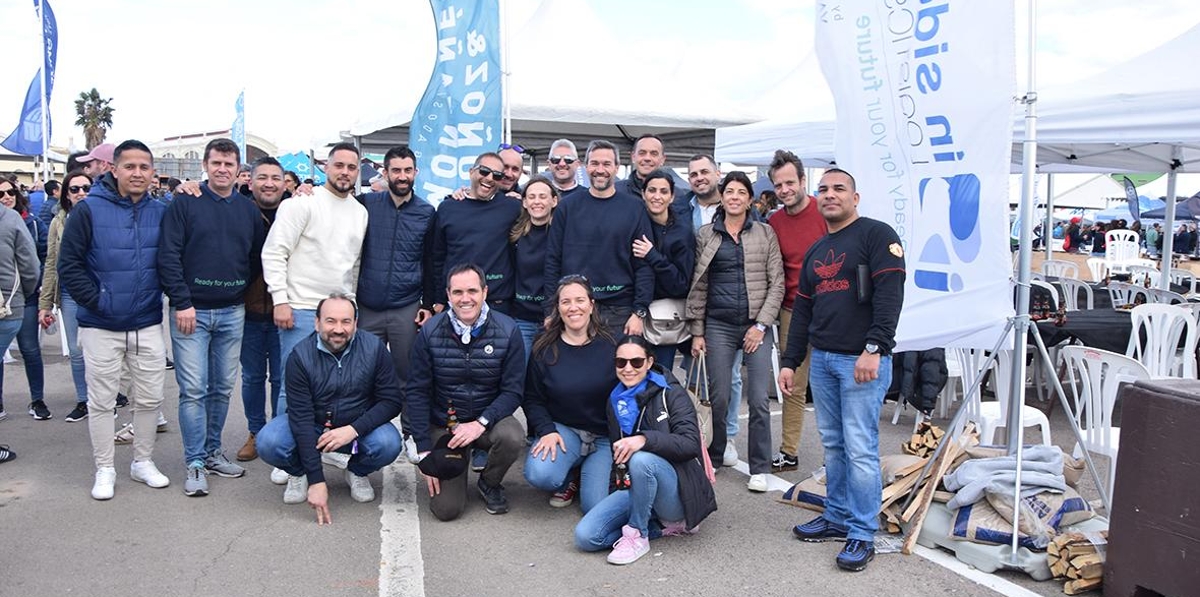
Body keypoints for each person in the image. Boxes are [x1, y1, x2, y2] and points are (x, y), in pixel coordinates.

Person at [778, 168, 905, 573]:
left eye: (839, 189)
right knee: (833, 444)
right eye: (824, 190)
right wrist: (789, 361)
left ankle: (862, 532)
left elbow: (890, 294)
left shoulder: (876, 235)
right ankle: (835, 516)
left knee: (861, 449)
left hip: (860, 362)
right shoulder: (818, 250)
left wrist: (875, 347)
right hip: (825, 361)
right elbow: (803, 312)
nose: (830, 195)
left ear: (855, 196)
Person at [58, 139, 172, 500]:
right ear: (115, 169)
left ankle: (142, 461)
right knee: (102, 401)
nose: (137, 173)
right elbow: (69, 266)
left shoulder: (162, 211)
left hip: (147, 322)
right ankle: (104, 468)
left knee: (150, 399)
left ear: (152, 173)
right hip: (100, 324)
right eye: (130, 166)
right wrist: (99, 300)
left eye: (144, 167)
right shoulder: (88, 210)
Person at [158, 138, 264, 496]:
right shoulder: (186, 202)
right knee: (193, 391)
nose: (222, 169)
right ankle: (195, 463)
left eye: (229, 164)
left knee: (221, 389)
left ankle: (212, 452)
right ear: (205, 165)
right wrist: (183, 301)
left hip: (232, 312)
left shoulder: (247, 210)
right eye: (216, 163)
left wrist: (235, 289)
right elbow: (169, 255)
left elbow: (255, 258)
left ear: (238, 170)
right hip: (191, 312)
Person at [256, 294, 403, 524]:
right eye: (330, 321)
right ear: (317, 323)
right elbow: (301, 419)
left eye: (346, 321)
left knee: (388, 443)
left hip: (355, 425)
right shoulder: (300, 357)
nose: (338, 329)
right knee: (269, 441)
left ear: (356, 323)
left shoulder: (374, 349)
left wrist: (353, 429)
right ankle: (299, 472)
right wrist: (317, 481)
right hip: (313, 425)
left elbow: (392, 401)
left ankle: (357, 471)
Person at [573, 335, 717, 565]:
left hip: (676, 490)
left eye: (636, 362)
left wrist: (644, 439)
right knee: (587, 537)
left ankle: (639, 534)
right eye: (621, 362)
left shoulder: (671, 392)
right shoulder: (615, 399)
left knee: (641, 459)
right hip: (637, 484)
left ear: (649, 362)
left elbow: (690, 444)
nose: (628, 368)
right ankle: (659, 529)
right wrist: (616, 489)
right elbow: (617, 454)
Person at [687, 171, 784, 492]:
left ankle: (759, 466)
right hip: (718, 324)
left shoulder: (765, 233)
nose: (734, 197)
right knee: (719, 395)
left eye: (741, 192)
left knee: (758, 398)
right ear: (722, 196)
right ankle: (714, 455)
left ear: (749, 199)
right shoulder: (706, 235)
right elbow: (698, 286)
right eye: (729, 191)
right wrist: (698, 331)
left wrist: (761, 325)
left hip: (756, 324)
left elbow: (777, 283)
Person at [406, 264, 527, 520]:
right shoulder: (429, 332)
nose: (465, 298)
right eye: (458, 292)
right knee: (446, 511)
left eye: (472, 290)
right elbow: (417, 392)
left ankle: (489, 481)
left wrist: (481, 423)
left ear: (485, 291)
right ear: (448, 295)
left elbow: (513, 391)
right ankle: (454, 464)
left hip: (487, 419)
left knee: (513, 436)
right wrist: (424, 451)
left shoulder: (508, 330)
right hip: (445, 424)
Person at [261, 142, 368, 420]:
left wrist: (352, 309)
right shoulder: (301, 204)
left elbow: (353, 266)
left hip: (340, 315)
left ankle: (325, 443)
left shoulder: (360, 212)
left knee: (335, 387)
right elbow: (274, 252)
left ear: (358, 172)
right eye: (339, 165)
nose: (345, 172)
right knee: (291, 387)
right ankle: (286, 457)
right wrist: (281, 301)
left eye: (351, 167)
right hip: (300, 310)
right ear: (326, 167)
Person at [523, 276, 618, 513]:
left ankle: (587, 472)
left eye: (579, 300)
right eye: (566, 302)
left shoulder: (613, 344)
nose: (573, 307)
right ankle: (568, 473)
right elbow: (532, 398)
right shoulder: (543, 347)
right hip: (565, 432)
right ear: (558, 308)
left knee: (594, 507)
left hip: (604, 436)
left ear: (591, 304)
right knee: (540, 474)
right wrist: (546, 430)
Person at [544, 140, 654, 336]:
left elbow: (644, 264)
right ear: (586, 166)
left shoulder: (635, 208)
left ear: (617, 168)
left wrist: (639, 312)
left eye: (606, 164)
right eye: (594, 163)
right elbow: (552, 260)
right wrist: (550, 310)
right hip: (576, 307)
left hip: (620, 309)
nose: (600, 170)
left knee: (617, 367)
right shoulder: (567, 207)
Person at [679, 154, 743, 468]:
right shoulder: (683, 207)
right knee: (697, 374)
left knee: (728, 377)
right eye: (693, 174)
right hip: (693, 299)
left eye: (705, 171)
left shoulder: (736, 204)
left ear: (717, 173)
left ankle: (727, 435)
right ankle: (701, 432)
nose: (699, 177)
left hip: (728, 305)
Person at [766, 150, 827, 472]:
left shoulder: (825, 211)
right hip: (793, 310)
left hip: (832, 310)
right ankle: (789, 451)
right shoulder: (774, 222)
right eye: (779, 185)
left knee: (836, 382)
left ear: (803, 181)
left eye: (790, 182)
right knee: (793, 383)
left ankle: (837, 455)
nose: (785, 189)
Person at [357, 145, 435, 387]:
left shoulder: (427, 212)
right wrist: (306, 191)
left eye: (408, 170)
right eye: (397, 170)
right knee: (363, 373)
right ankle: (364, 425)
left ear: (416, 172)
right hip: (368, 305)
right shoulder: (365, 204)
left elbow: (431, 260)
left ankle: (410, 426)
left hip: (406, 306)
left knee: (408, 376)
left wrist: (429, 304)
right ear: (385, 172)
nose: (403, 176)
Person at [236, 158, 288, 463]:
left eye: (275, 178)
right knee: (253, 377)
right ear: (250, 181)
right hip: (248, 310)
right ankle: (256, 431)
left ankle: (278, 434)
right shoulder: (239, 209)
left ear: (284, 183)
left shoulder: (296, 208)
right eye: (262, 177)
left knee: (283, 378)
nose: (269, 183)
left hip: (286, 310)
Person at [428, 152, 521, 316]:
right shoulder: (448, 208)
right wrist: (438, 300)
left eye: (497, 175)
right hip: (457, 303)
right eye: (484, 171)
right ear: (471, 172)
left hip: (497, 304)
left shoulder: (513, 207)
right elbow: (437, 257)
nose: (490, 178)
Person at [37, 171, 93, 422]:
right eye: (75, 189)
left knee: (104, 350)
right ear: (65, 195)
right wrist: (45, 304)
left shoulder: (102, 216)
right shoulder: (58, 221)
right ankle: (85, 400)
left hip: (98, 293)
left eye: (86, 188)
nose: (81, 193)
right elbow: (51, 263)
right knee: (76, 350)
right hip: (69, 293)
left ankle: (107, 397)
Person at [633, 169, 695, 367]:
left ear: (672, 196)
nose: (657, 196)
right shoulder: (634, 223)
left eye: (663, 191)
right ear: (643, 194)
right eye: (652, 190)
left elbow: (681, 284)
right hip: (631, 311)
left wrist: (653, 256)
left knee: (660, 376)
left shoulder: (682, 233)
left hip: (664, 318)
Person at [0, 179, 48, 420]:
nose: (7, 196)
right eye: (1, 193)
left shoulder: (32, 221)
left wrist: (32, 290)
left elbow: (38, 257)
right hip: (16, 295)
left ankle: (37, 399)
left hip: (25, 296)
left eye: (11, 191)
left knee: (30, 348)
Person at [510, 176, 559, 357]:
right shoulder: (516, 235)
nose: (536, 201)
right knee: (519, 371)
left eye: (542, 196)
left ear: (554, 201)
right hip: (522, 317)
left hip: (554, 318)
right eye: (531, 197)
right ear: (524, 202)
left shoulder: (561, 234)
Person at [617, 134, 689, 198]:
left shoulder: (677, 195)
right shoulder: (616, 191)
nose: (647, 158)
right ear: (633, 157)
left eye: (654, 154)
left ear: (662, 159)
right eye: (642, 153)